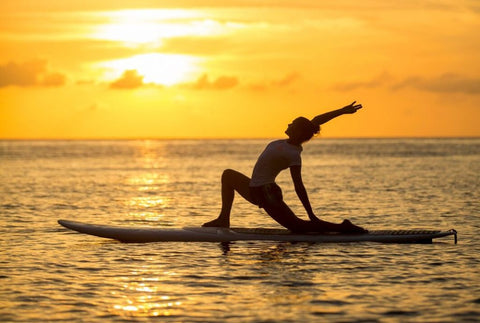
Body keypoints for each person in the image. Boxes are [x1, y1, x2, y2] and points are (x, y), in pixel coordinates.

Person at [203, 101, 367, 233]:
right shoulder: (285, 143)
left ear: (298, 132)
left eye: (293, 123)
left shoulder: (293, 154)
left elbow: (298, 185)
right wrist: (342, 111)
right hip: (255, 188)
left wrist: (311, 214)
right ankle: (224, 218)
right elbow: (316, 120)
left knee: (298, 227)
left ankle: (342, 227)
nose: (289, 123)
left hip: (266, 193)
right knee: (228, 175)